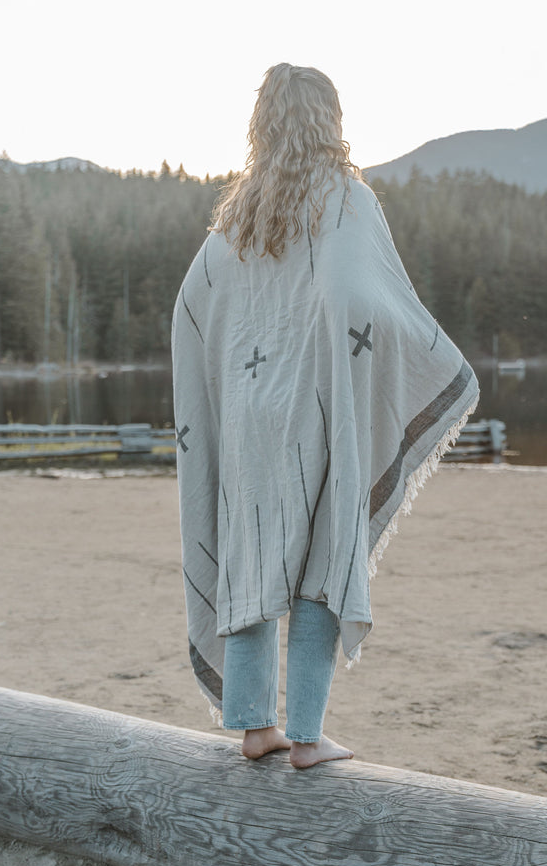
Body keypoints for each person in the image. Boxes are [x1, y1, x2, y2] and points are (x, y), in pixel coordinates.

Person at [171, 63, 479, 768]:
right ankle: (306, 737)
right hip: (318, 408)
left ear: (262, 123)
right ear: (329, 119)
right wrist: (381, 352)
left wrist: (229, 372)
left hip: (250, 422)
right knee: (324, 556)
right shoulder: (344, 196)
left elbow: (193, 306)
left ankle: (254, 727)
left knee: (249, 555)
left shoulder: (237, 214)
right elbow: (355, 295)